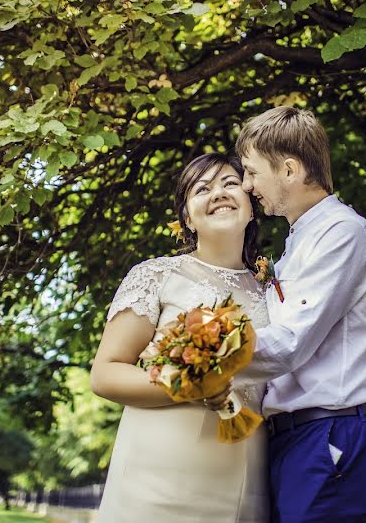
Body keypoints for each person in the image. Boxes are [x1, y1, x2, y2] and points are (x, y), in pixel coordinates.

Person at [231, 106, 366, 522]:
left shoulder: (342, 232)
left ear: (289, 170)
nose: (247, 185)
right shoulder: (301, 238)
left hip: (329, 438)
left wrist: (196, 356)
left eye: (252, 172)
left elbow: (290, 344)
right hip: (302, 438)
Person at [90, 153, 270, 522]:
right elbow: (105, 373)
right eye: (202, 189)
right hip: (159, 477)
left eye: (230, 183)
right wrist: (193, 384)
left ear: (251, 206)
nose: (218, 193)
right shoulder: (157, 275)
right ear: (187, 218)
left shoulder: (274, 288)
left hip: (248, 476)